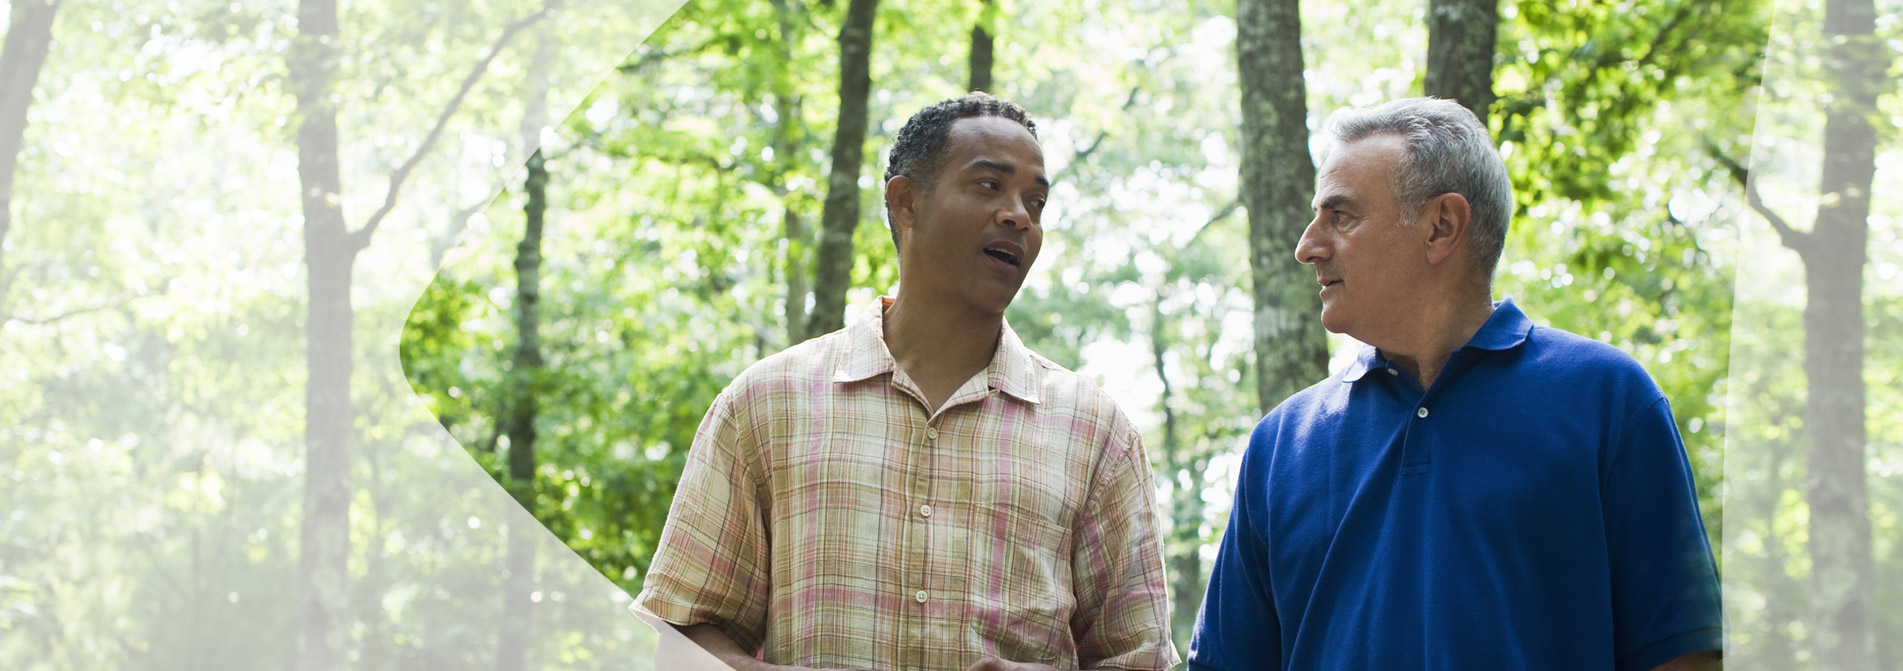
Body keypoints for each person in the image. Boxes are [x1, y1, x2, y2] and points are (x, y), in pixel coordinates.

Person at [632, 93, 1178, 671]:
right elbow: (683, 641)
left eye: (1036, 201)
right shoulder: (766, 403)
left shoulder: (1097, 431)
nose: (1019, 215)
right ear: (907, 201)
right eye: (990, 186)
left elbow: (1142, 658)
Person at [1187, 97, 1722, 671]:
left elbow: (1681, 653)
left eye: (1341, 217)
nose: (1307, 246)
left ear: (1442, 226)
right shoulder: (1280, 444)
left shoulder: (1609, 400)